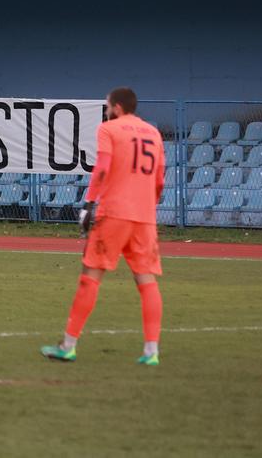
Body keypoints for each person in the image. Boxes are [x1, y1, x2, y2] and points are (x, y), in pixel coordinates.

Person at [41, 86, 165, 367]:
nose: (107, 109)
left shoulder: (109, 129)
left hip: (114, 213)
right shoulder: (154, 133)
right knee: (146, 281)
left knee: (90, 276)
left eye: (108, 105)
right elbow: (159, 180)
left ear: (118, 107)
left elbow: (103, 168)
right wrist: (146, 207)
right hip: (144, 217)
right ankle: (151, 351)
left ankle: (68, 346)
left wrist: (89, 203)